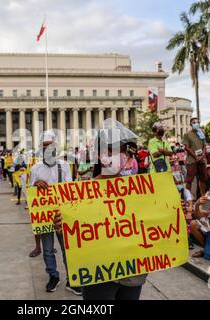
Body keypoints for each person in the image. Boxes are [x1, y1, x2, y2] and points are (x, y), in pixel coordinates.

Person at [55, 120, 146, 300]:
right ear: (99, 155)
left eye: (123, 150)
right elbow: (74, 236)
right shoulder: (80, 194)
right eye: (111, 150)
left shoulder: (141, 190)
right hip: (98, 275)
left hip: (133, 274)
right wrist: (63, 225)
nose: (119, 155)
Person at [29, 131, 80, 295]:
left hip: (61, 215)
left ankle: (72, 279)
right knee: (48, 249)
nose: (47, 149)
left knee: (67, 248)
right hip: (44, 217)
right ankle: (53, 276)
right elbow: (29, 193)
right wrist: (35, 184)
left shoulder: (64, 166)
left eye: (50, 146)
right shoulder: (35, 169)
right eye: (44, 146)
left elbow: (69, 190)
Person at [183, 117, 208, 196]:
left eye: (197, 122)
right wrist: (195, 156)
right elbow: (187, 147)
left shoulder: (201, 133)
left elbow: (204, 146)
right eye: (194, 122)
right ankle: (188, 198)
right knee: (189, 180)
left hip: (201, 159)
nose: (196, 124)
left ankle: (203, 196)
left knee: (203, 179)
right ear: (190, 124)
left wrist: (203, 155)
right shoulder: (187, 134)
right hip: (191, 160)